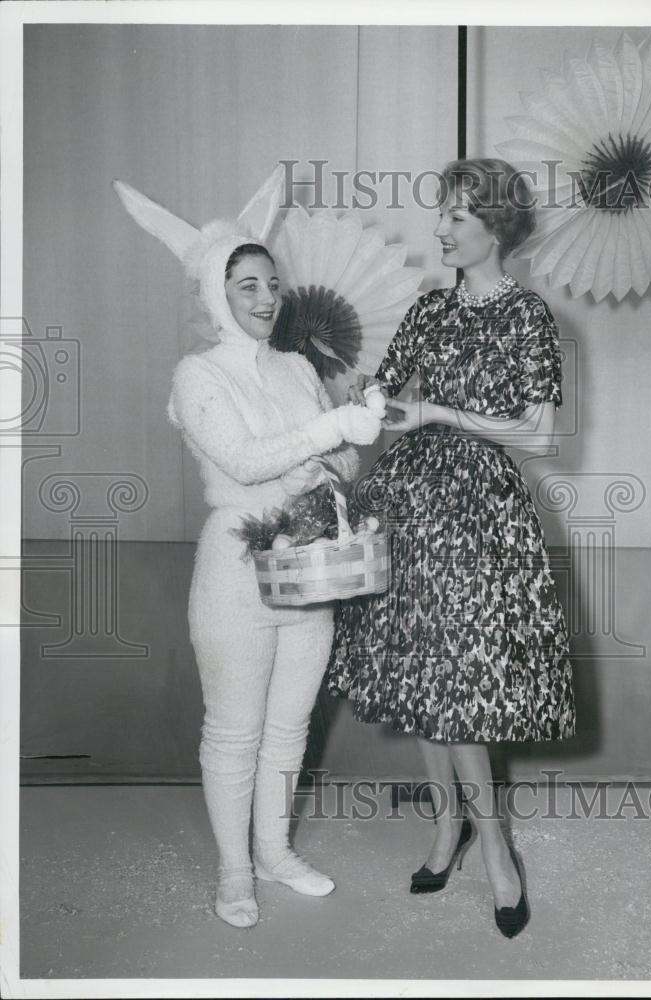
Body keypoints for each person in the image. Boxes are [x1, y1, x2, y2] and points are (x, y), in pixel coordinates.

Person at [114, 174, 383, 929]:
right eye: (247, 285)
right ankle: (234, 869)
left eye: (271, 283)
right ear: (213, 290)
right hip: (237, 574)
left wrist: (348, 442)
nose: (266, 298)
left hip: (311, 565)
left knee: (290, 726)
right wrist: (330, 435)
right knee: (234, 728)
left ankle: (274, 850)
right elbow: (243, 461)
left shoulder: (297, 366)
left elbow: (331, 462)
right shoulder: (197, 374)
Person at [326, 158, 576, 939]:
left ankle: (492, 843)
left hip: (478, 514)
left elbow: (542, 434)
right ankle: (448, 826)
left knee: (460, 682)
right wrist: (363, 400)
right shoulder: (428, 310)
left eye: (458, 215)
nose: (441, 226)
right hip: (404, 507)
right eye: (442, 212)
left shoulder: (527, 316)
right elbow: (389, 402)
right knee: (425, 677)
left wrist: (440, 411)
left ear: (496, 226)